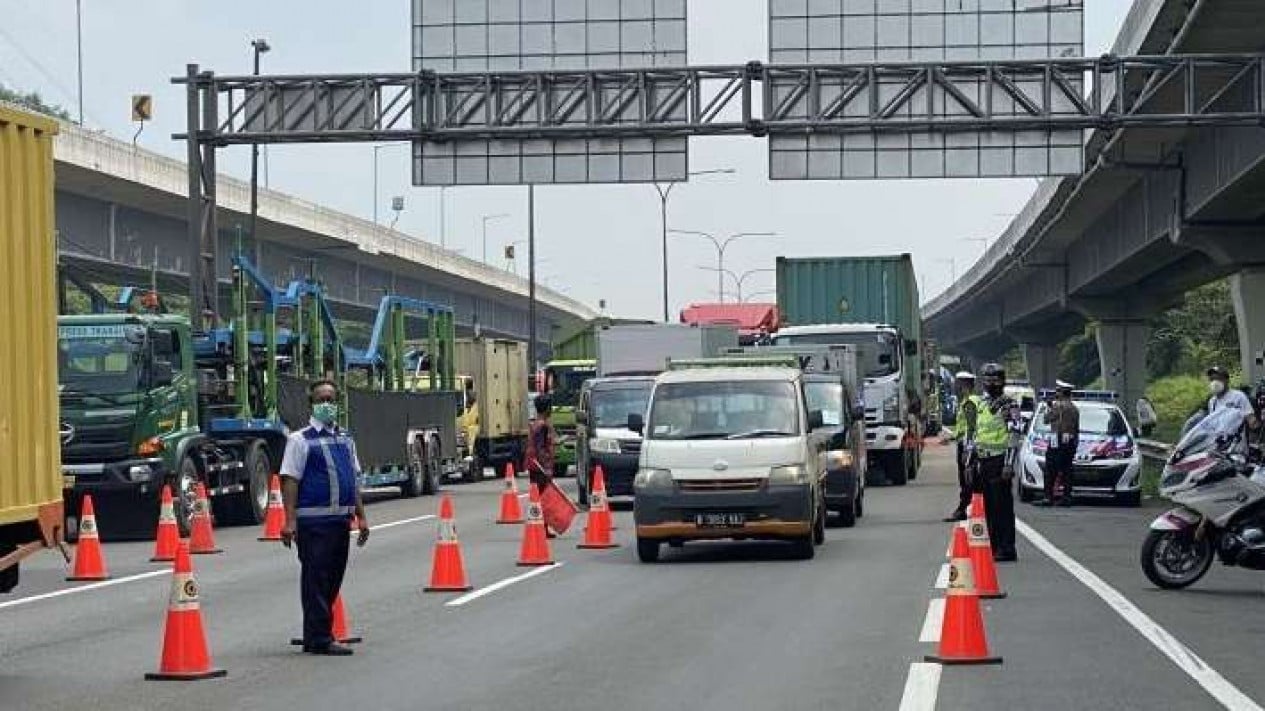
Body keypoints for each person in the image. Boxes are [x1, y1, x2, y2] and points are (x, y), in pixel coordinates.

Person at [279, 379, 370, 656]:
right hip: (313, 523)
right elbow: (290, 480)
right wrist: (290, 521)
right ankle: (319, 637)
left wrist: (361, 516)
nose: (327, 404)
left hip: (340, 522)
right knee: (316, 579)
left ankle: (316, 633)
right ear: (312, 404)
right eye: (321, 400)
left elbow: (352, 480)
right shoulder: (299, 440)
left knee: (332, 579)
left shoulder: (345, 438)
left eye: (331, 399)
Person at [962, 363, 1020, 562]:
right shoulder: (981, 405)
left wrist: (1009, 464)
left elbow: (1014, 435)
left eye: (994, 379)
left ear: (1002, 381)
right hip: (983, 460)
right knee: (988, 506)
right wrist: (969, 462)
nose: (990, 383)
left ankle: (1006, 547)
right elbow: (974, 433)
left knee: (1002, 506)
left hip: (999, 461)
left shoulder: (1008, 405)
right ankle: (993, 545)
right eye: (987, 379)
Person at [943, 371, 978, 522]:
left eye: (957, 383)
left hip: (967, 447)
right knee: (966, 479)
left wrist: (968, 450)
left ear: (964, 385)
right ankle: (964, 507)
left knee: (966, 480)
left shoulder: (970, 402)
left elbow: (971, 427)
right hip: (963, 443)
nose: (954, 386)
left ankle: (963, 509)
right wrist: (953, 436)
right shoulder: (966, 401)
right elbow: (963, 427)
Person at [1039, 380, 1079, 508]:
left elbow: (1046, 419)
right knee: (1067, 470)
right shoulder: (1074, 408)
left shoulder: (1058, 406)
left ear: (1061, 393)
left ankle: (1048, 497)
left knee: (1050, 470)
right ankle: (1066, 497)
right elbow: (1076, 428)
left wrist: (1049, 407)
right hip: (1070, 441)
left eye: (1057, 391)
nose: (1056, 394)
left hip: (1057, 441)